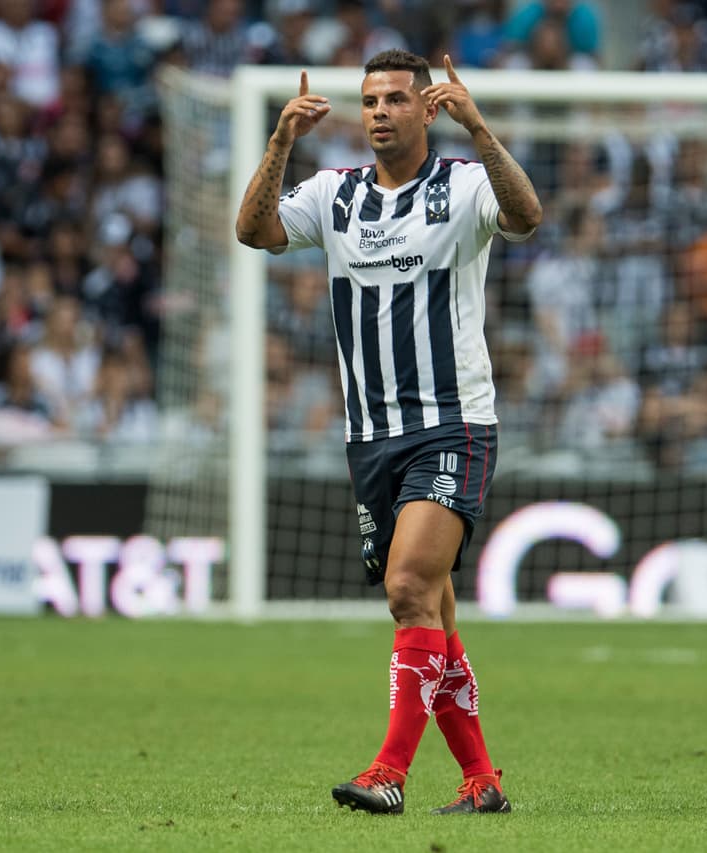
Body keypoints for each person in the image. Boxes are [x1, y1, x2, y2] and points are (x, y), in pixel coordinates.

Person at [235, 50, 541, 815]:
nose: (378, 111)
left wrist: (481, 127)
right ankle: (483, 782)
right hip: (371, 436)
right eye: (370, 99)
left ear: (426, 110)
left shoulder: (464, 183)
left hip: (452, 422)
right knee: (431, 610)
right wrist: (279, 143)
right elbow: (253, 231)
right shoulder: (335, 195)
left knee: (407, 586)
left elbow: (528, 218)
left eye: (396, 99)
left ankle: (388, 772)